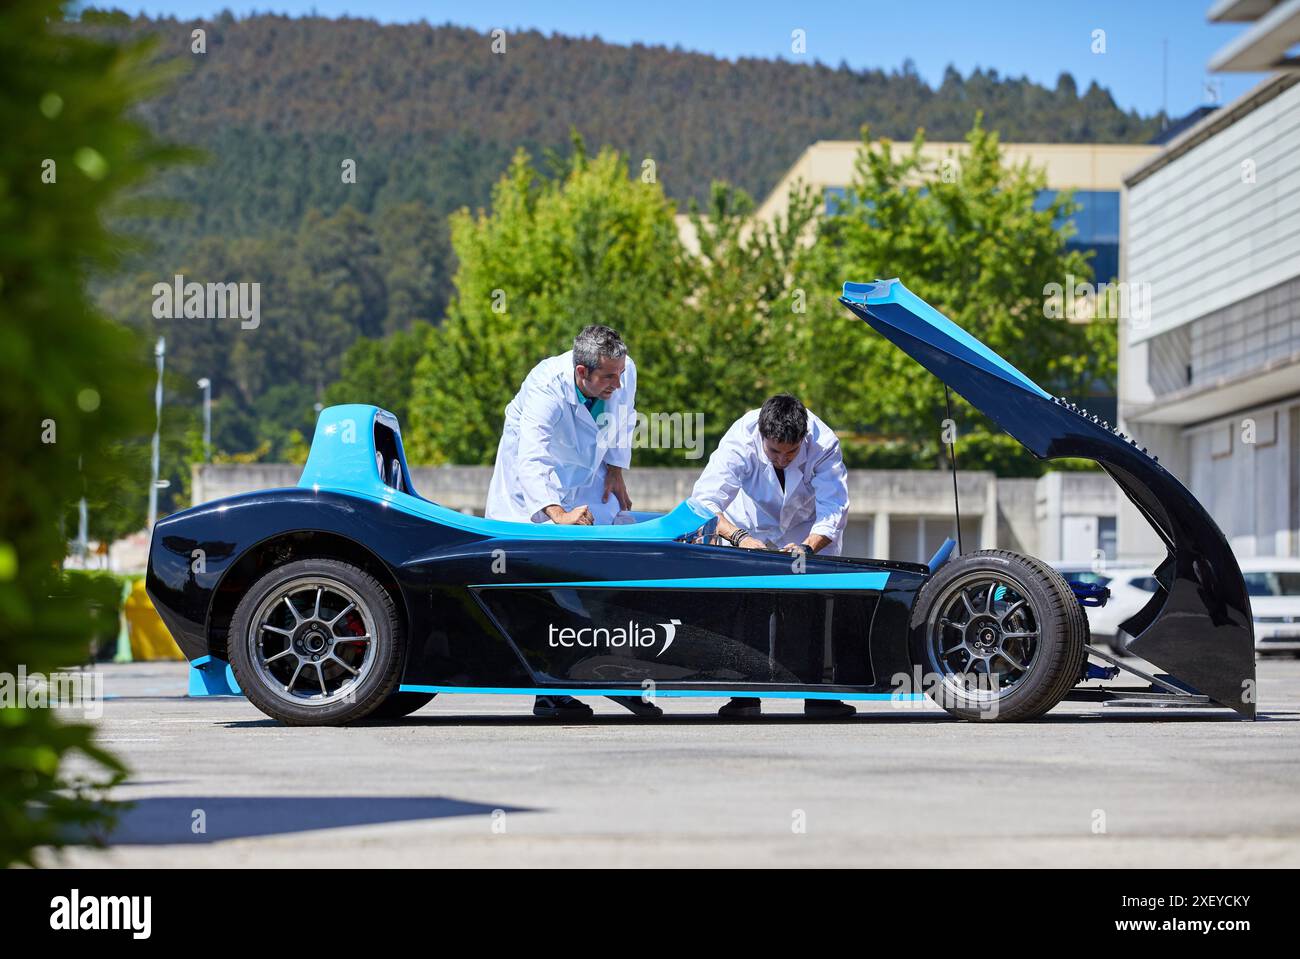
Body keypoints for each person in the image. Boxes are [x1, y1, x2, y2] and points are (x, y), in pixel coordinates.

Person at [486, 324, 660, 719]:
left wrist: (616, 468)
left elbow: (623, 415)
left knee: (613, 563)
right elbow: (532, 458)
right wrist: (557, 514)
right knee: (551, 583)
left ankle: (620, 677)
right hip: (530, 490)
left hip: (587, 475)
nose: (618, 381)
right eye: (608, 377)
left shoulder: (622, 369)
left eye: (619, 373)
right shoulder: (546, 386)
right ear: (582, 373)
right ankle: (552, 694)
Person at [690, 393, 854, 719]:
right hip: (749, 527)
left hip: (805, 530)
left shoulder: (825, 443)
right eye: (774, 451)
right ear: (761, 436)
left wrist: (807, 547)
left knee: (812, 610)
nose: (782, 459)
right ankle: (745, 698)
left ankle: (819, 696)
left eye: (791, 453)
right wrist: (740, 538)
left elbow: (834, 508)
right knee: (747, 607)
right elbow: (704, 503)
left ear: (804, 438)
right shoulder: (740, 437)